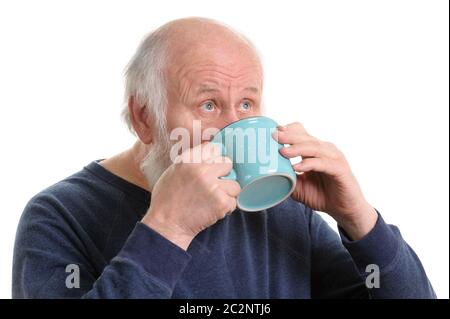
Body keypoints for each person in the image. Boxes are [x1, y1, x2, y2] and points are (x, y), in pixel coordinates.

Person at [12, 17, 435, 298]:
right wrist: (167, 229)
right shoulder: (58, 215)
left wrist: (359, 220)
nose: (234, 128)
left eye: (248, 105)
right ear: (145, 117)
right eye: (209, 105)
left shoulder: (281, 210)